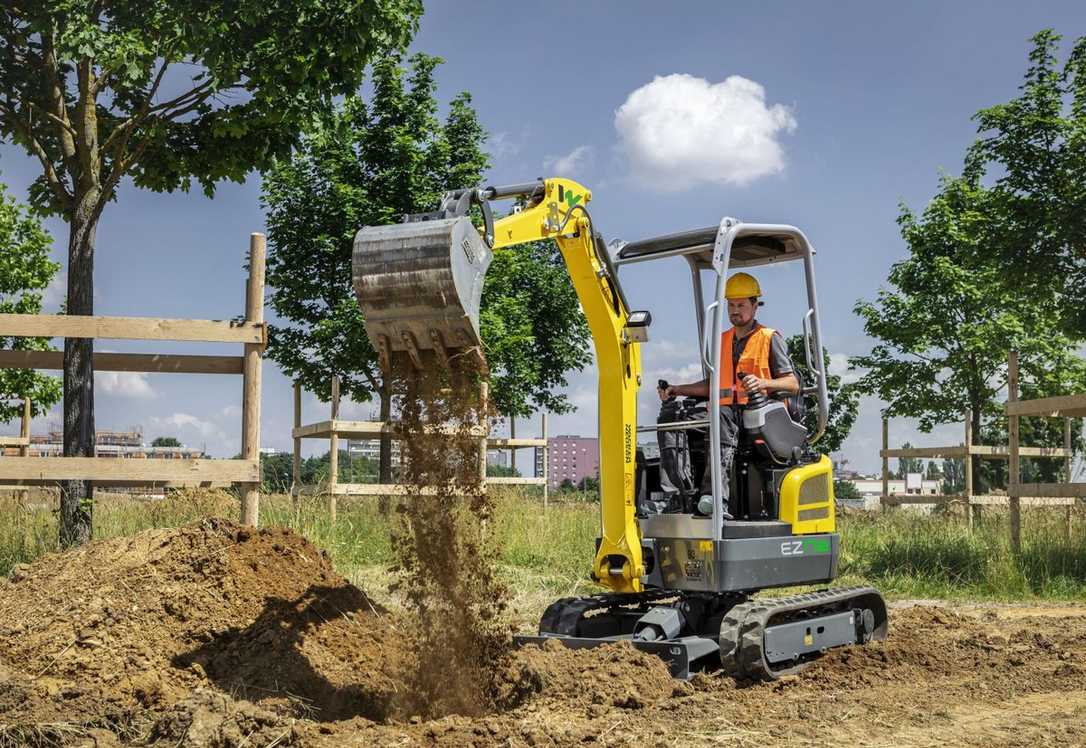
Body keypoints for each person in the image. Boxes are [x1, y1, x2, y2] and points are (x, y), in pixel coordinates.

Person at [657, 272, 800, 517]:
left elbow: (792, 383)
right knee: (673, 417)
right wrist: (677, 390)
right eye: (731, 305)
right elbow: (714, 384)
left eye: (741, 305)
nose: (735, 311)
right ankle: (680, 495)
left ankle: (715, 498)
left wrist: (763, 382)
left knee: (719, 415)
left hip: (759, 413)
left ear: (755, 306)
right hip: (725, 411)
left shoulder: (769, 338)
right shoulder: (722, 340)